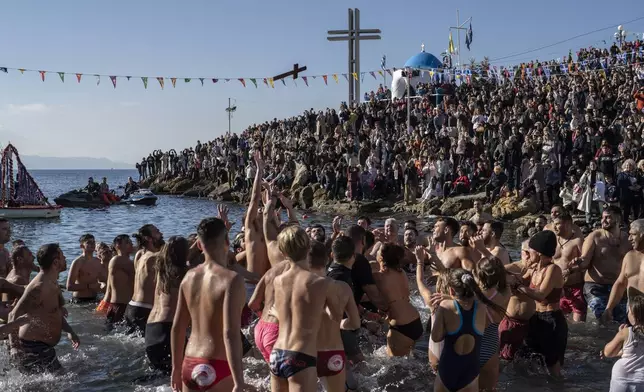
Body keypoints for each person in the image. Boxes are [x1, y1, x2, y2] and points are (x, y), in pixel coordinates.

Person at [171, 218, 251, 392]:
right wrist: (239, 381)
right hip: (217, 363)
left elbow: (178, 327)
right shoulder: (232, 279)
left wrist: (176, 369)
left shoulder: (189, 277)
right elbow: (230, 333)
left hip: (189, 362)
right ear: (228, 242)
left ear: (199, 245)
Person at [269, 225, 341, 392]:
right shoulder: (320, 283)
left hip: (277, 353)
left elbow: (284, 314)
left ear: (283, 253)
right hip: (300, 356)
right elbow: (336, 316)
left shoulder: (278, 281)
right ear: (308, 247)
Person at [8, 243, 80, 373]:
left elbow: (54, 312)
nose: (65, 259)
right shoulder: (39, 287)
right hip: (32, 347)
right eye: (63, 256)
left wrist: (70, 331)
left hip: (42, 347)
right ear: (56, 262)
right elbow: (13, 315)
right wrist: (14, 347)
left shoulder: (52, 281)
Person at [431, 268, 502, 392]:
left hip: (447, 371)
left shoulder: (445, 306)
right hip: (470, 374)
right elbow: (476, 297)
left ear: (451, 290)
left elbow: (435, 337)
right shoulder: (481, 306)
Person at [310, 240, 360, 392]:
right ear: (328, 259)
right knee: (351, 387)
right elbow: (355, 323)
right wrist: (339, 323)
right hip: (332, 352)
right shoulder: (342, 287)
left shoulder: (295, 286)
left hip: (306, 353)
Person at [517, 230, 567, 378]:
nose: (527, 254)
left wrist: (519, 287)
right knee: (525, 358)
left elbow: (540, 295)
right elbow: (519, 280)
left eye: (529, 251)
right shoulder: (534, 269)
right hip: (536, 319)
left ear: (538, 252)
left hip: (552, 321)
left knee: (553, 367)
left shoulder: (553, 269)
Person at [574, 206, 631, 323]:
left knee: (622, 321)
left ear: (618, 218)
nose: (603, 221)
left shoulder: (627, 239)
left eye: (608, 217)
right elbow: (585, 261)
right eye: (602, 217)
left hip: (618, 287)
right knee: (602, 318)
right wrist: (578, 261)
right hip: (595, 286)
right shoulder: (595, 237)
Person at [145, 236, 189, 374]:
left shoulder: (160, 269)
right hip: (167, 330)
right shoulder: (184, 273)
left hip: (151, 330)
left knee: (161, 376)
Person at [373, 243, 423, 356]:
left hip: (401, 326)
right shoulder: (401, 272)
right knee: (408, 362)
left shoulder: (378, 277)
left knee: (395, 368)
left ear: (381, 257)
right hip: (415, 319)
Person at [476, 257, 511, 391]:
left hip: (474, 347)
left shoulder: (474, 296)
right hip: (491, 347)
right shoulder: (506, 292)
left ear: (479, 274)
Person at [499, 240, 536, 361]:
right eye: (528, 253)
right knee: (499, 356)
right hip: (509, 321)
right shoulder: (509, 269)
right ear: (524, 253)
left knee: (524, 359)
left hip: (530, 322)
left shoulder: (540, 270)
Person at [603, 219, 644, 324]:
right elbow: (620, 284)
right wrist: (609, 308)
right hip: (632, 315)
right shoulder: (629, 256)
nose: (629, 238)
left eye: (633, 234)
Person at [603, 290, 644, 392]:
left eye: (629, 310)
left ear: (633, 314)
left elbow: (608, 352)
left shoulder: (626, 332)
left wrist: (620, 335)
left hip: (622, 378)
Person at [126, 224, 164, 336]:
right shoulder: (155, 257)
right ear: (148, 238)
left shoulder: (139, 254)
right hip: (144, 309)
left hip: (132, 306)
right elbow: (180, 253)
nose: (161, 233)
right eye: (157, 231)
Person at [244, 151, 270, 304]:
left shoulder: (269, 233)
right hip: (250, 286)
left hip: (266, 286)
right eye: (259, 209)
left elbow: (269, 209)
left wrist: (270, 193)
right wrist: (259, 171)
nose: (261, 209)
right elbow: (254, 198)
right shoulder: (251, 232)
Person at [552, 213, 586, 322]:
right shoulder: (553, 241)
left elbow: (586, 263)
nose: (554, 227)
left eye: (557, 224)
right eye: (554, 224)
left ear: (567, 224)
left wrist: (570, 271)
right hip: (558, 288)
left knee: (578, 325)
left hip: (575, 288)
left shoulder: (577, 241)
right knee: (559, 322)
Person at [105, 235, 135, 330]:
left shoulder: (128, 261)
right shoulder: (117, 259)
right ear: (118, 245)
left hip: (126, 305)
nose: (131, 244)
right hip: (119, 306)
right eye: (127, 242)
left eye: (131, 242)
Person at [66, 234, 105, 303]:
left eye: (93, 242)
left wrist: (102, 284)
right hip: (79, 300)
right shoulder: (77, 262)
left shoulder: (98, 261)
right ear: (82, 246)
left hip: (95, 298)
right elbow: (69, 286)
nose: (92, 244)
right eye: (89, 242)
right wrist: (89, 286)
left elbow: (102, 280)